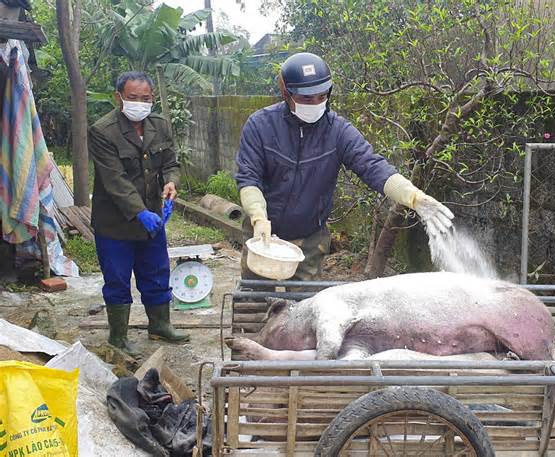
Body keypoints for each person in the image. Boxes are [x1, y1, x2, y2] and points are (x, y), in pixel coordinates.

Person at [236, 52, 454, 280]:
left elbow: (372, 166)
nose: (315, 103)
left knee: (301, 305)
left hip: (309, 240)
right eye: (306, 99)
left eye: (321, 97)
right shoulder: (260, 126)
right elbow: (249, 178)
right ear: (286, 93)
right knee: (253, 299)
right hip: (263, 236)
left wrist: (414, 197)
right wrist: (258, 217)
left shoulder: (337, 131)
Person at [88, 71, 188, 355]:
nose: (139, 104)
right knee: (117, 278)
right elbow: (115, 180)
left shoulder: (159, 125)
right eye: (133, 98)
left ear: (152, 98)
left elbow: (171, 162)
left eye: (145, 99)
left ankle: (159, 325)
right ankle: (118, 337)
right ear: (118, 98)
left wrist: (171, 182)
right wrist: (140, 212)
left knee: (156, 272)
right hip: (114, 224)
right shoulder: (102, 131)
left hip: (152, 221)